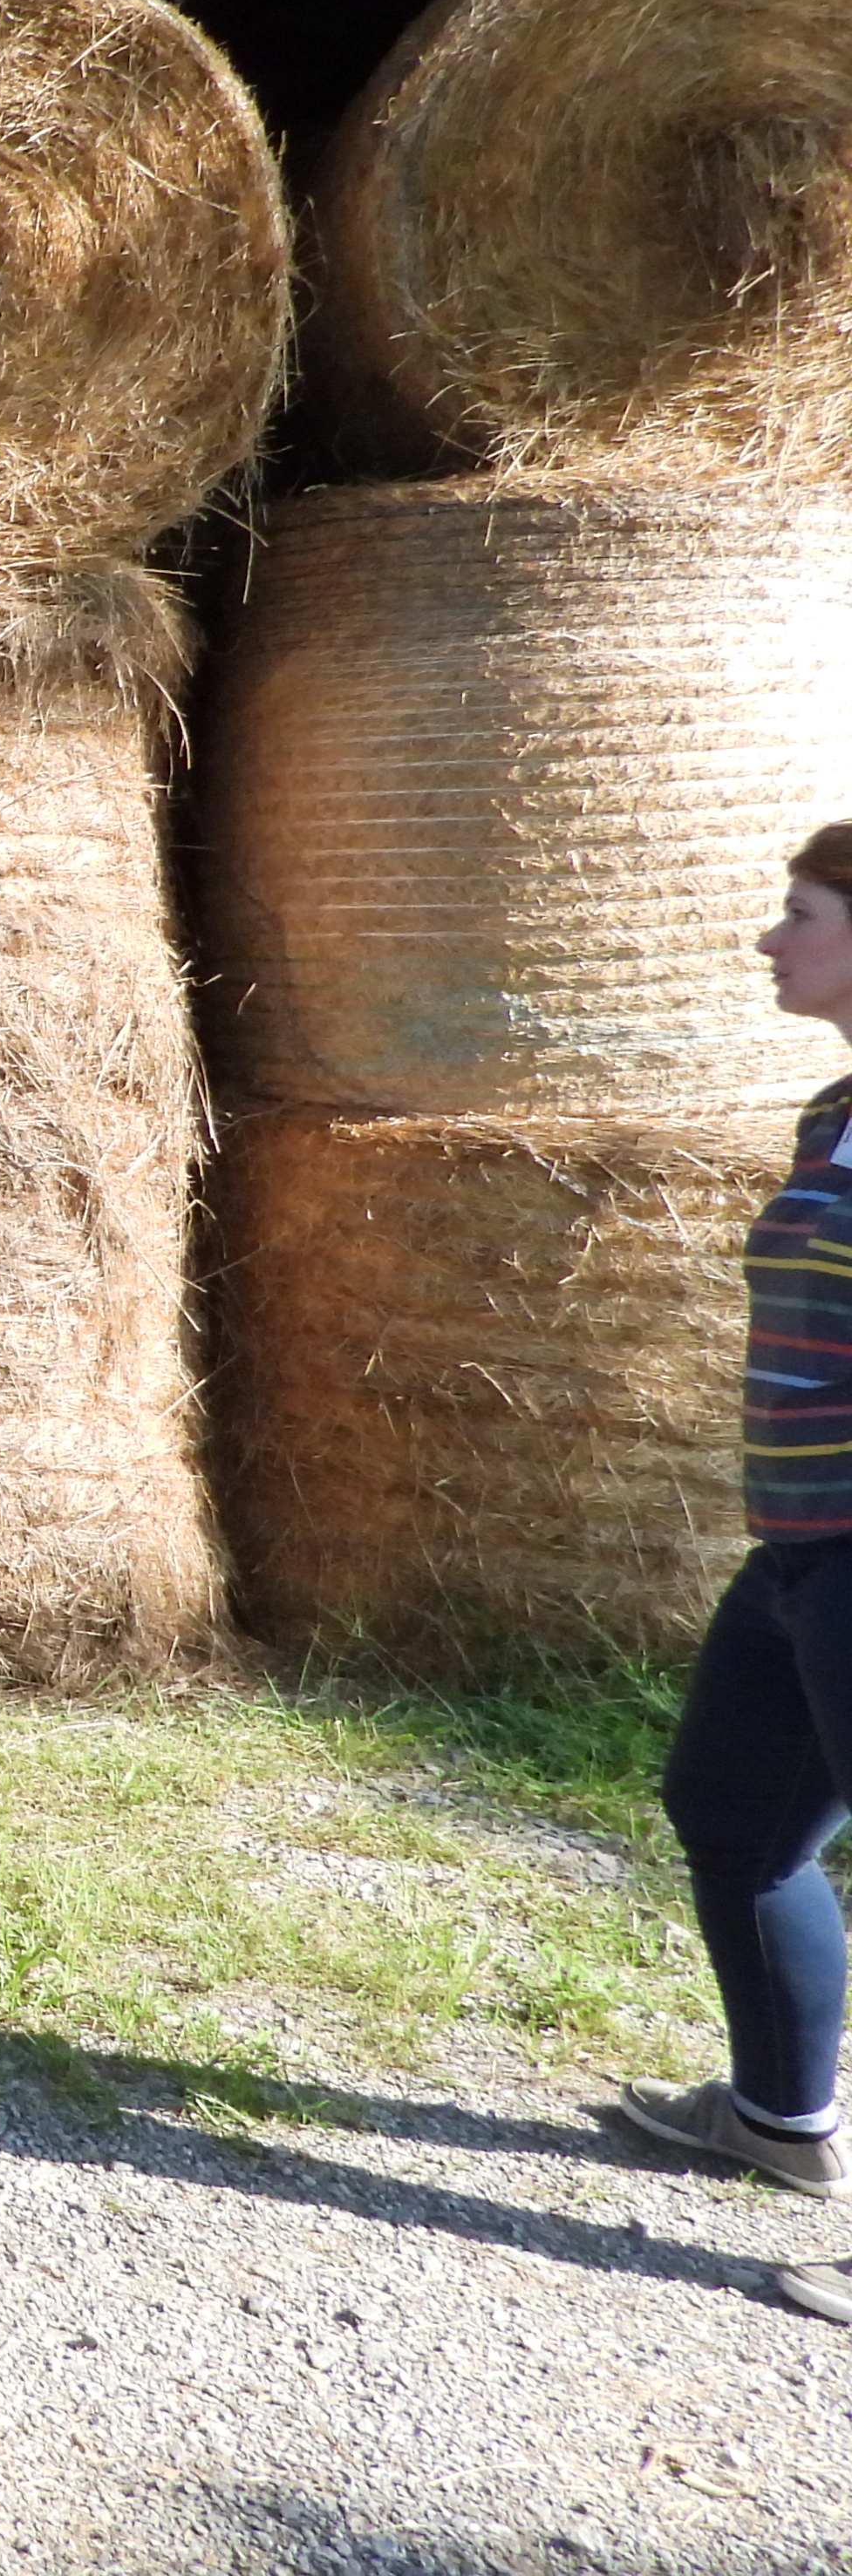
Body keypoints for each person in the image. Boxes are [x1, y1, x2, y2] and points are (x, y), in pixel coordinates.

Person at [634, 821, 852, 2327]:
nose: (765, 940)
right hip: (801, 1551)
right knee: (728, 1805)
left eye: (796, 913)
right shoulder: (834, 1111)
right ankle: (780, 2119)